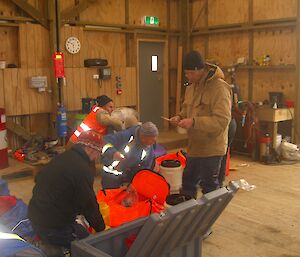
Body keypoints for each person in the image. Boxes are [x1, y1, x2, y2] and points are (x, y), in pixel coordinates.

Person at [28, 130, 105, 249]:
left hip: (35, 214)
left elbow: (40, 178)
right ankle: (52, 246)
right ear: (90, 149)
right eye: (98, 152)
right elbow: (89, 204)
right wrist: (101, 229)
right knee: (89, 246)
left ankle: (45, 240)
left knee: (81, 229)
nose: (98, 157)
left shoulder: (63, 157)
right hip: (52, 226)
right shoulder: (82, 170)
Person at [170, 50, 231, 198]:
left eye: (190, 73)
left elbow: (222, 119)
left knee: (209, 186)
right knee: (188, 183)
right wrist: (179, 117)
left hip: (212, 147)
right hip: (194, 146)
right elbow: (186, 108)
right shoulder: (191, 87)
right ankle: (189, 216)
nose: (187, 77)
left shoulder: (219, 88)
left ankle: (209, 217)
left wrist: (194, 122)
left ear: (199, 69)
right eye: (186, 74)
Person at [100, 122, 158, 189]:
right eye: (152, 140)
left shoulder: (150, 146)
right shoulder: (126, 135)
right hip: (111, 174)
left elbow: (147, 165)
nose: (154, 142)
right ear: (143, 137)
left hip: (129, 173)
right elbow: (103, 142)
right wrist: (113, 153)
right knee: (110, 196)